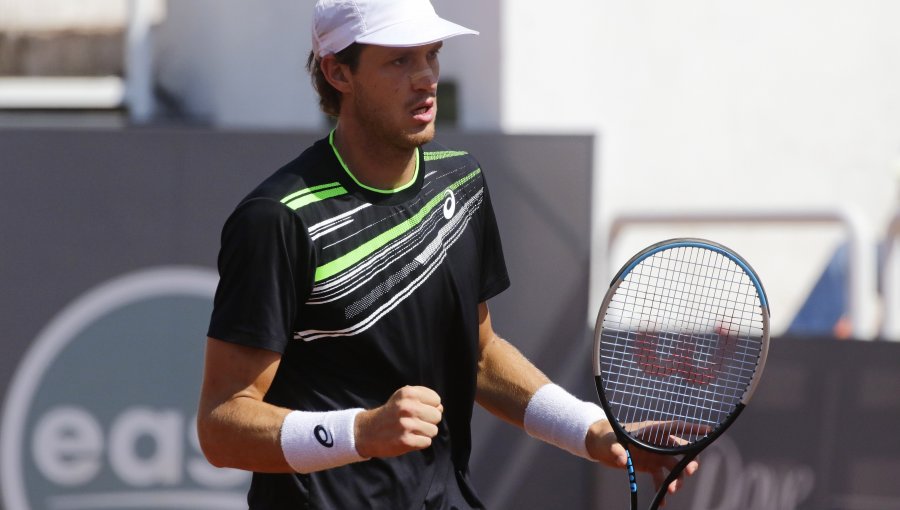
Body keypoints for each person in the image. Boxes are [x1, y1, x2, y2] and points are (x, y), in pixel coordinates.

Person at [197, 0, 699, 508]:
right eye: (399, 61)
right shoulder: (277, 219)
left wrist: (590, 431)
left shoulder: (459, 181)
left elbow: (479, 355)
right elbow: (222, 425)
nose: (425, 79)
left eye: (431, 55)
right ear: (337, 72)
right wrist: (361, 432)